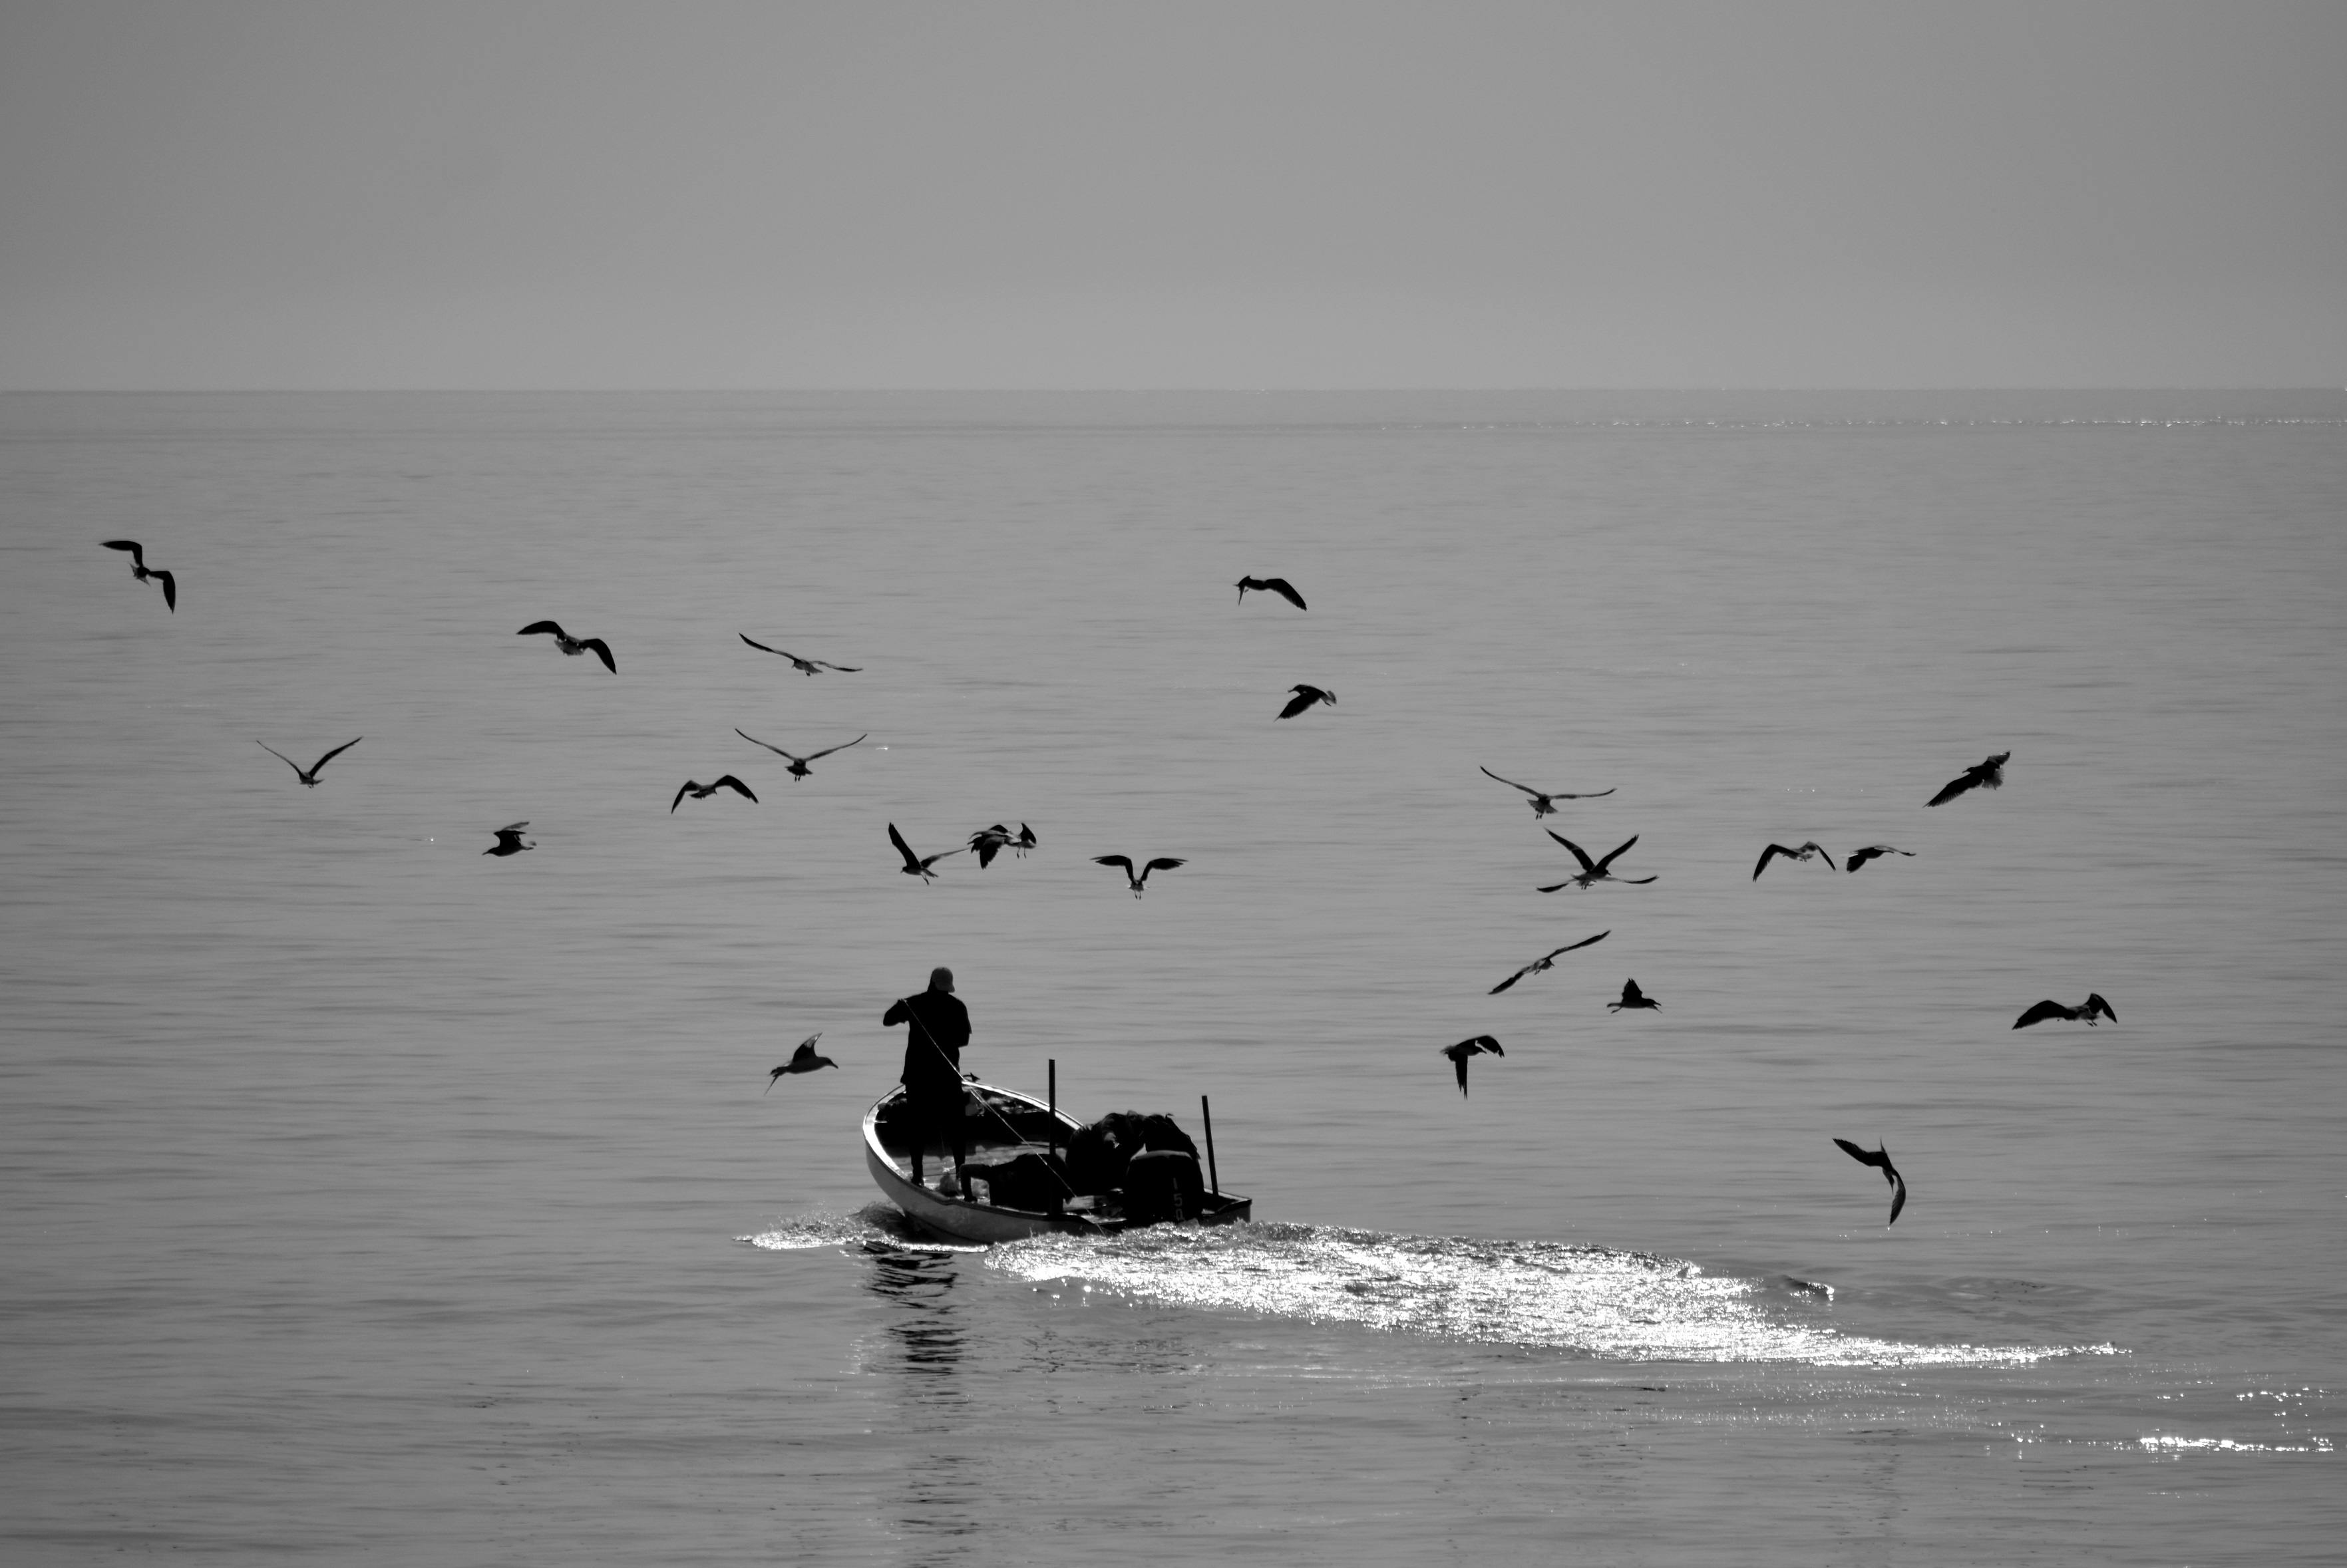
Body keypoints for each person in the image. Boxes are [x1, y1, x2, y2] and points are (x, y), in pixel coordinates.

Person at [884, 967, 972, 1189]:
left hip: (919, 1077)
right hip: (947, 1076)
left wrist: (900, 1006)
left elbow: (887, 1020)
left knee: (918, 1127)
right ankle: (962, 1174)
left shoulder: (913, 1004)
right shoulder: (957, 1006)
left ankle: (918, 1176)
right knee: (956, 1128)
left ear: (931, 983)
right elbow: (964, 1041)